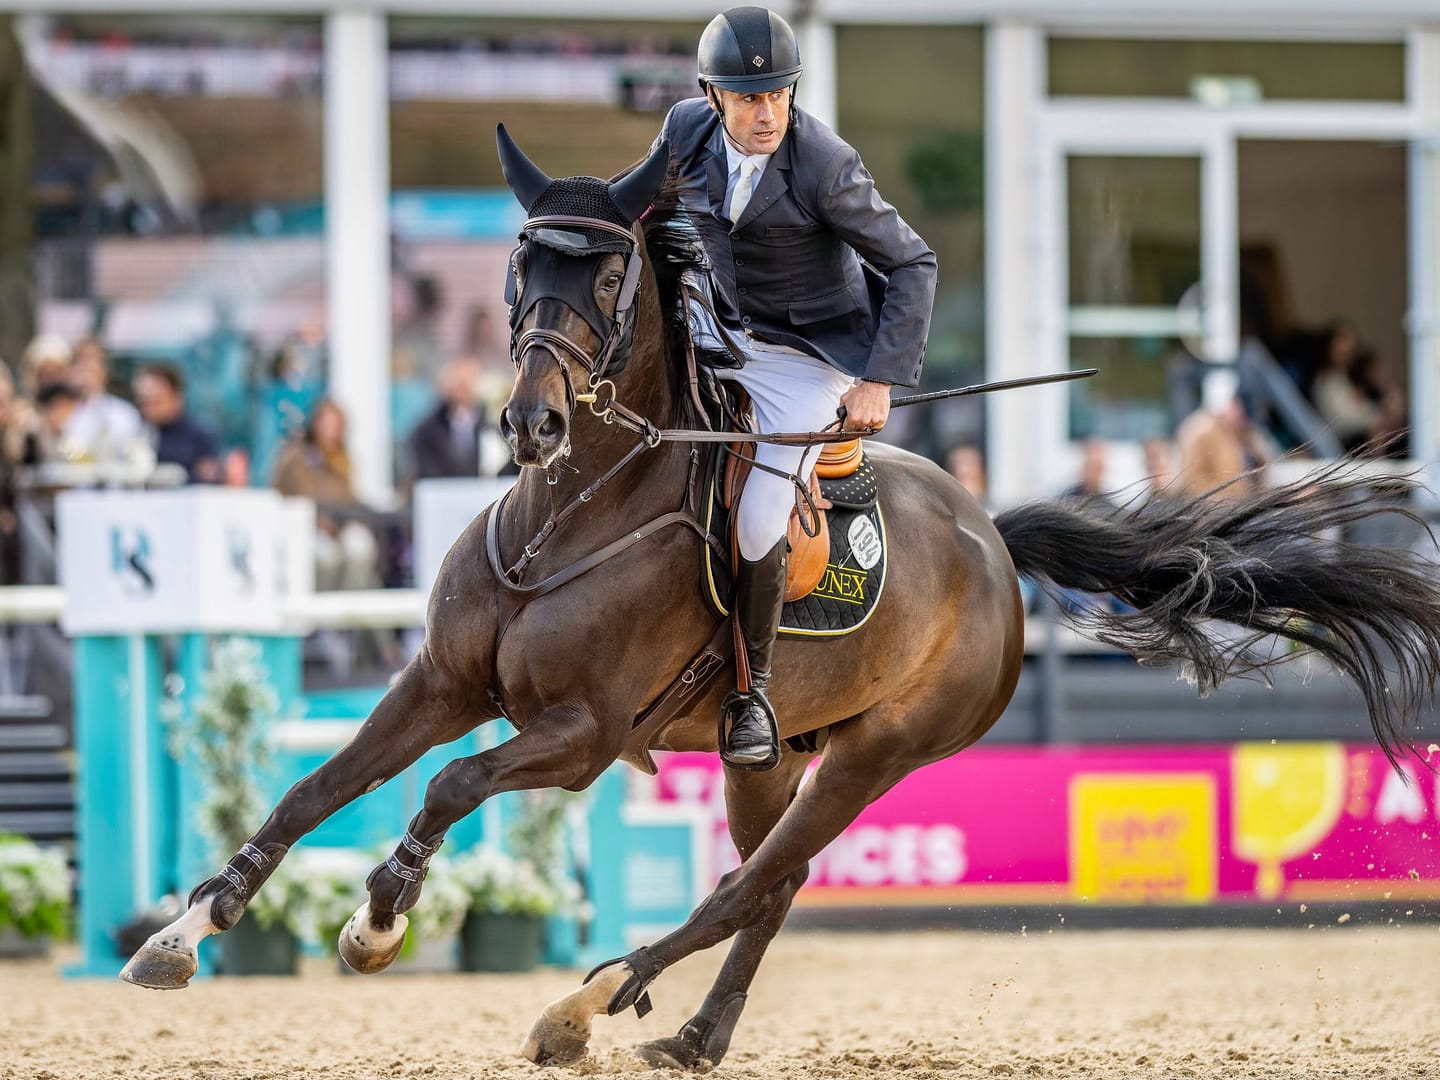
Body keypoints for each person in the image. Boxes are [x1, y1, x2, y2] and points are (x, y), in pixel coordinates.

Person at [655, 7, 936, 769]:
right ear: (714, 97)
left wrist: (878, 378)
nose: (768, 113)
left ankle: (754, 694)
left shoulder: (824, 163)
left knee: (756, 520)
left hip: (804, 356)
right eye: (750, 99)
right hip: (716, 327)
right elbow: (640, 210)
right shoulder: (684, 131)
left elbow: (914, 264)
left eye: (779, 94)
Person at [1175, 368, 1275, 499]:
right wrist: (1226, 502)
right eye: (1236, 402)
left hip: (1247, 507)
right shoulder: (1199, 433)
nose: (1240, 409)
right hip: (1219, 512)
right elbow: (1193, 483)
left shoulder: (1243, 431)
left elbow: (1262, 466)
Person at [133, 363, 221, 484]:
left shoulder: (198, 436)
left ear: (177, 397)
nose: (149, 409)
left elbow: (210, 479)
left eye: (157, 401)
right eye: (144, 402)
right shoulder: (136, 432)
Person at [404, 357, 485, 484]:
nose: (463, 388)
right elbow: (424, 468)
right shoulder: (426, 431)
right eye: (459, 383)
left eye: (468, 382)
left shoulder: (490, 427)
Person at [64, 337, 144, 465]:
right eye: (81, 362)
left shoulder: (124, 413)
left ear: (105, 370)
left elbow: (134, 454)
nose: (86, 370)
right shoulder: (63, 411)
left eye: (93, 362)